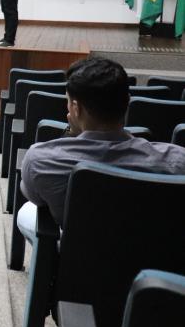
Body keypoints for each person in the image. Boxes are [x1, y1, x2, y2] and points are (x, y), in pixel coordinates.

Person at [18, 57, 185, 240]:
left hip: (80, 257)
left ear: (75, 108)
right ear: (127, 102)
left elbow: (34, 196)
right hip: (156, 261)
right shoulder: (177, 160)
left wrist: (71, 134)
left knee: (26, 212)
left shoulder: (40, 160)